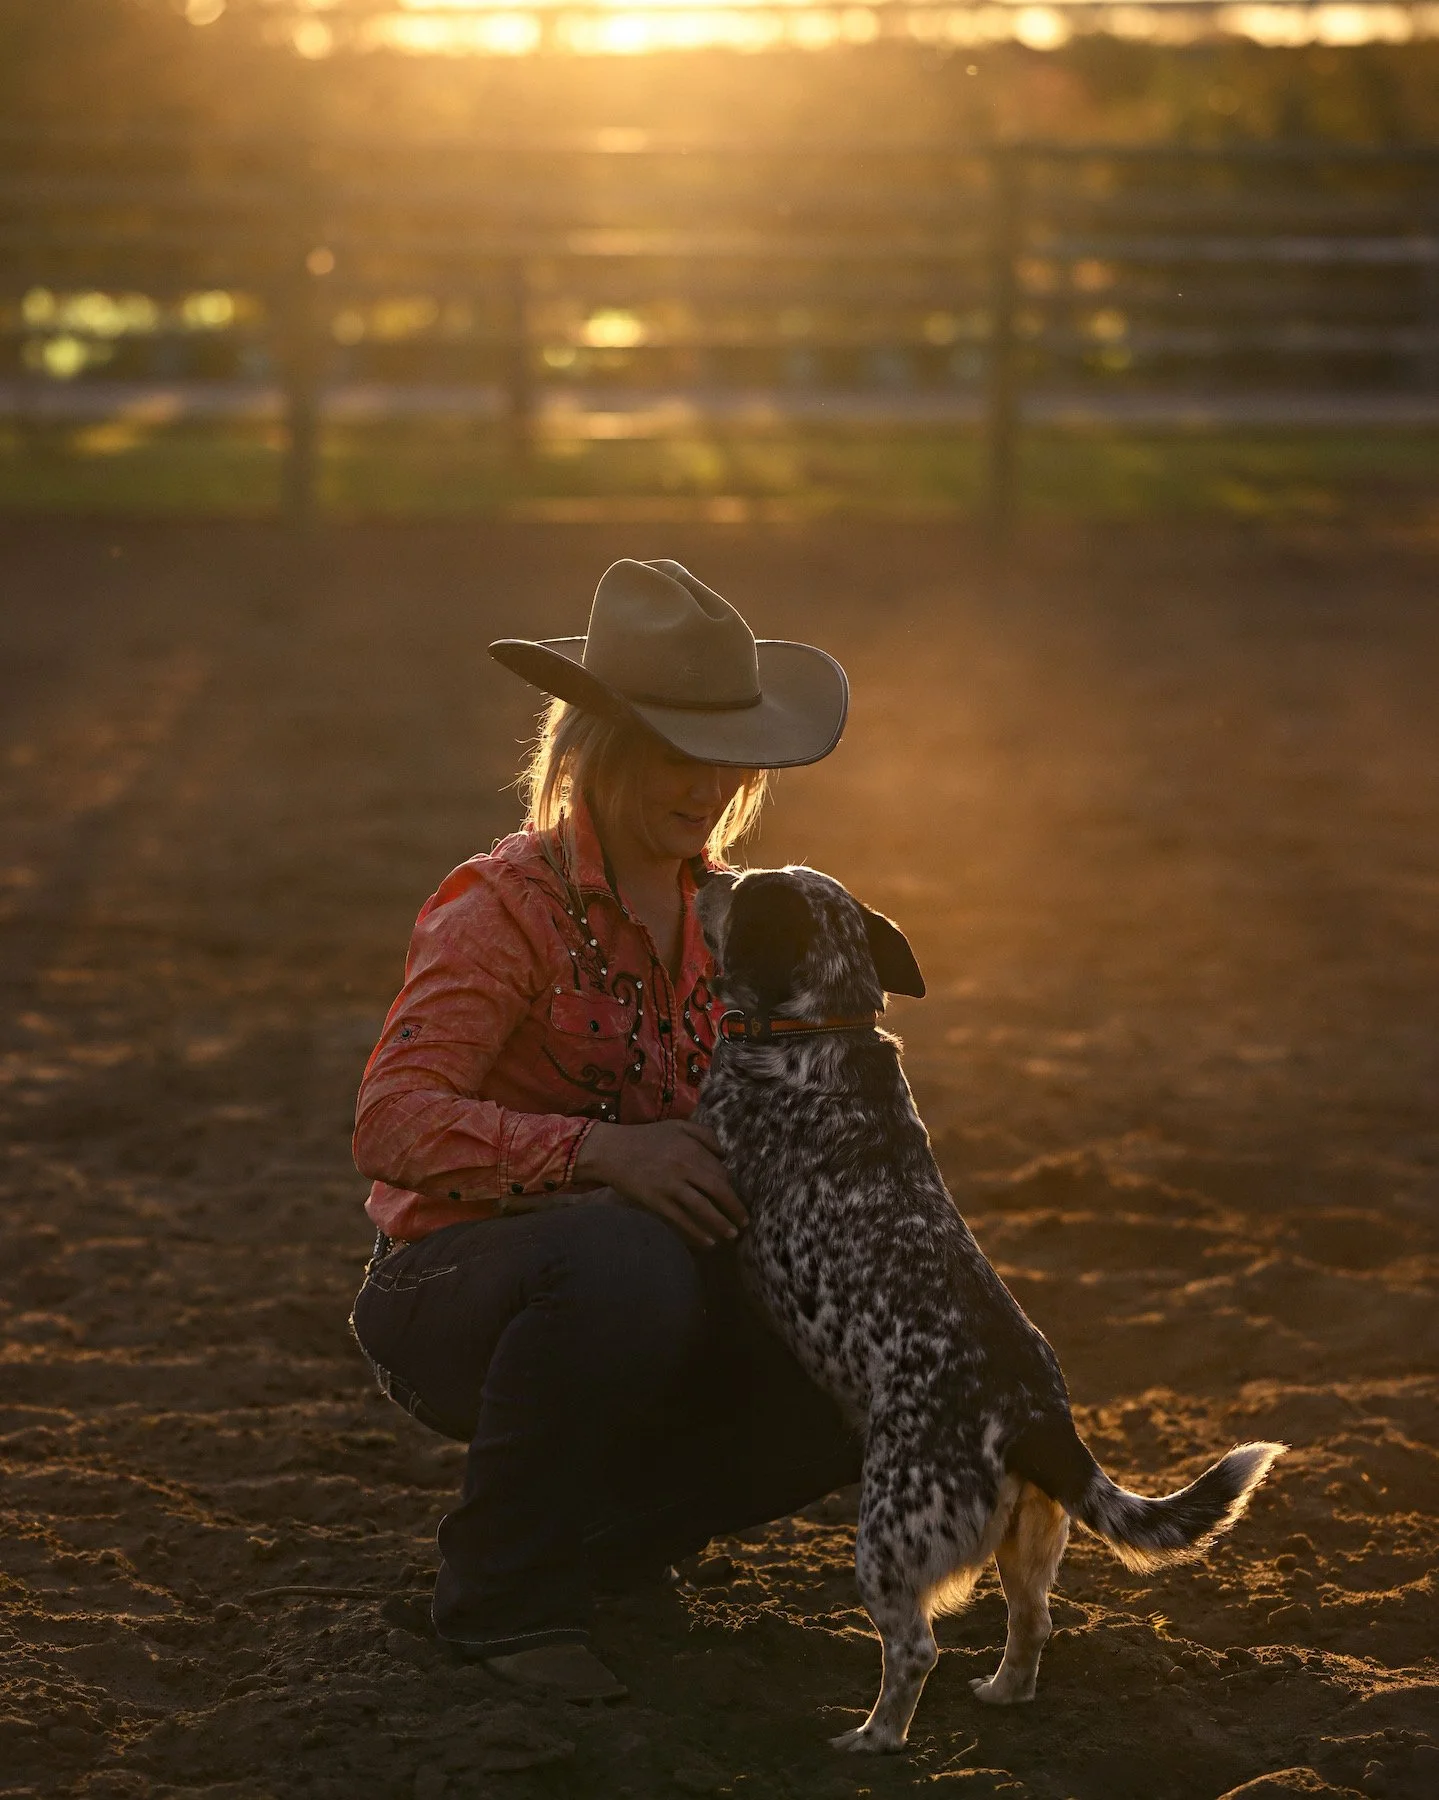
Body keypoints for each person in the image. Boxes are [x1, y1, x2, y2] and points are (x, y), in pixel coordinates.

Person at [349, 557, 861, 1701]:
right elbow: (390, 1122)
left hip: (643, 1288)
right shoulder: (504, 907)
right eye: (680, 751)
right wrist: (600, 1154)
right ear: (602, 749)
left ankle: (597, 1548)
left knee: (857, 1341)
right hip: (462, 1287)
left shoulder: (735, 919)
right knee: (619, 1258)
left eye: (730, 752)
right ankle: (499, 1602)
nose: (711, 783)